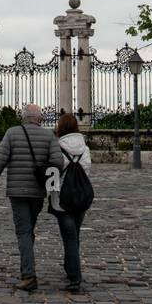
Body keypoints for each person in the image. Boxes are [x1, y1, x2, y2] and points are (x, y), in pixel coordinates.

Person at [0, 103, 65, 291]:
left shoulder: (11, 133)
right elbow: (58, 163)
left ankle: (28, 275)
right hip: (38, 192)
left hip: (17, 192)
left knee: (23, 231)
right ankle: (26, 267)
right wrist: (47, 180)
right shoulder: (48, 136)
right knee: (28, 229)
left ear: (23, 117)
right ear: (39, 118)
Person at [49, 112, 91, 293]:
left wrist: (50, 193)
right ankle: (69, 267)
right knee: (75, 234)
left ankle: (75, 277)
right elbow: (87, 171)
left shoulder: (56, 148)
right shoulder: (85, 149)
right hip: (80, 199)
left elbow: (52, 174)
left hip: (62, 200)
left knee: (69, 236)